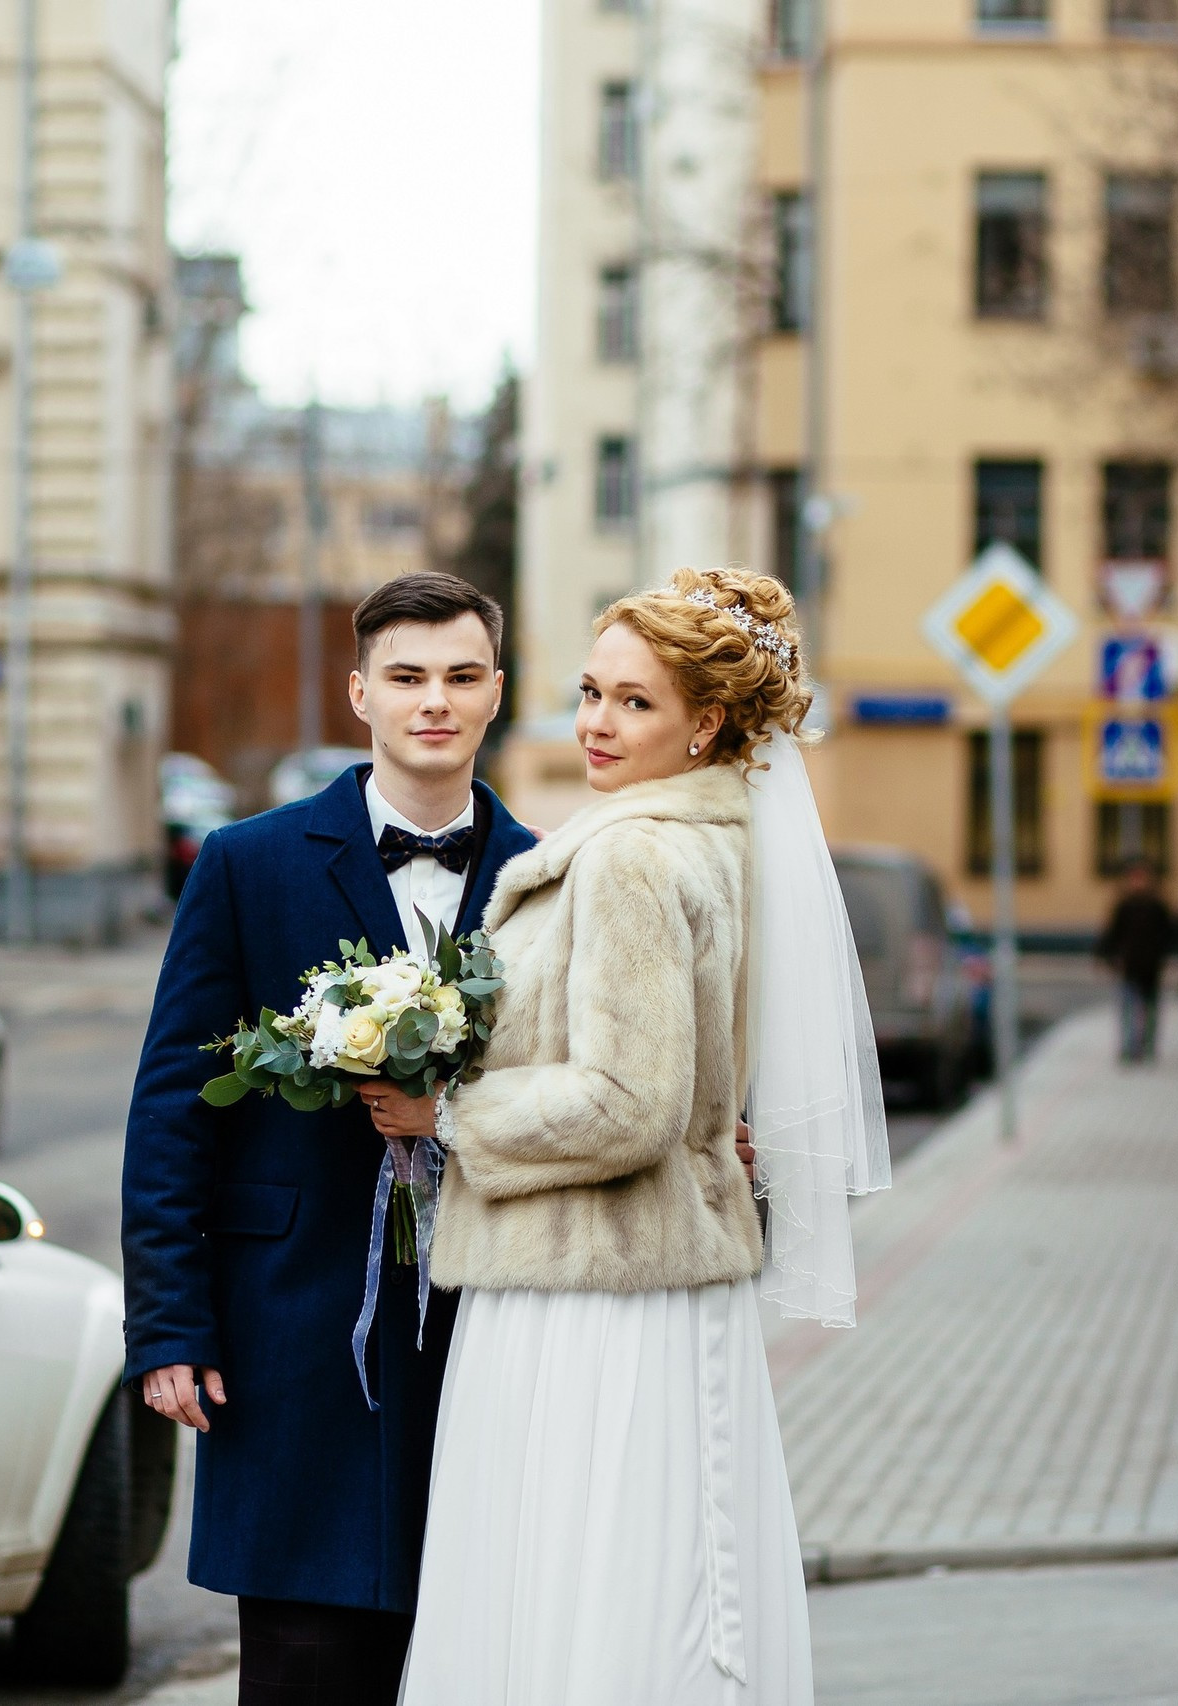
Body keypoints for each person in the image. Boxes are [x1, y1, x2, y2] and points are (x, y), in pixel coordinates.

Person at [362, 565, 890, 1706]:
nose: (596, 723)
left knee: (578, 1582)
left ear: (707, 722)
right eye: (590, 692)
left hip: (584, 1291)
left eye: (634, 702)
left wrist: (445, 1111)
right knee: (669, 1579)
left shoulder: (631, 855)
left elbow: (627, 1101)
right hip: (658, 1284)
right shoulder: (723, 842)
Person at [118, 572, 538, 1706]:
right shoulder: (247, 863)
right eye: (406, 677)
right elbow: (172, 1101)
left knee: (472, 1660)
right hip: (291, 1336)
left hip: (487, 1331)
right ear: (361, 693)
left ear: (496, 690)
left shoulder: (548, 879)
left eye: (459, 676)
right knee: (305, 1666)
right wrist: (168, 1325)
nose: (432, 702)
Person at [1101, 858, 1175, 1064]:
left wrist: (1163, 956)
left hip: (1151, 967)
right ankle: (1128, 1047)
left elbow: (1169, 934)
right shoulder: (1124, 905)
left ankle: (1148, 1046)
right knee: (1127, 1008)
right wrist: (1109, 957)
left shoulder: (1157, 906)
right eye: (1134, 878)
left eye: (1141, 878)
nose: (1138, 883)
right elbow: (1112, 934)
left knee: (1150, 1009)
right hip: (1129, 965)